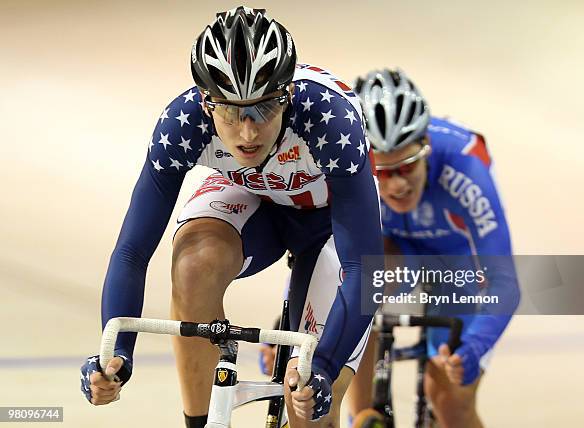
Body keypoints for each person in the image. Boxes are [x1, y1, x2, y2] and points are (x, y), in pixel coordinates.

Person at [79, 7, 383, 428]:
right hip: (251, 194)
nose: (247, 132)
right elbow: (132, 251)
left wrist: (325, 369)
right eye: (229, 112)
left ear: (288, 96)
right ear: (206, 102)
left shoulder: (331, 123)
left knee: (310, 412)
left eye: (263, 110)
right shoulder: (182, 123)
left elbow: (363, 269)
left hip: (327, 219)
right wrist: (116, 353)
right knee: (192, 266)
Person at [260, 68, 520, 428]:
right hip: (391, 252)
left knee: (449, 397)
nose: (397, 184)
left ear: (426, 145)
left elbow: (505, 280)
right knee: (356, 289)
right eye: (384, 171)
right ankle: (363, 416)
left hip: (458, 264)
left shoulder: (464, 164)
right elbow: (320, 253)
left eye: (408, 166)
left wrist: (474, 347)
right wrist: (288, 330)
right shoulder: (345, 163)